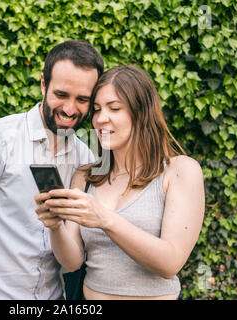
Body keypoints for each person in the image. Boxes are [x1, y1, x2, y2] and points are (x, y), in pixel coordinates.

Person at [0, 40, 104, 299]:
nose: (70, 110)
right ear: (43, 84)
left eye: (82, 99)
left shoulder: (86, 157)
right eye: (61, 95)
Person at [35, 65, 205, 300]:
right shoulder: (84, 176)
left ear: (141, 112)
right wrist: (55, 226)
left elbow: (170, 263)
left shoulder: (180, 171)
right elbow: (73, 262)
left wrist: (105, 219)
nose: (100, 119)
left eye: (114, 108)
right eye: (96, 110)